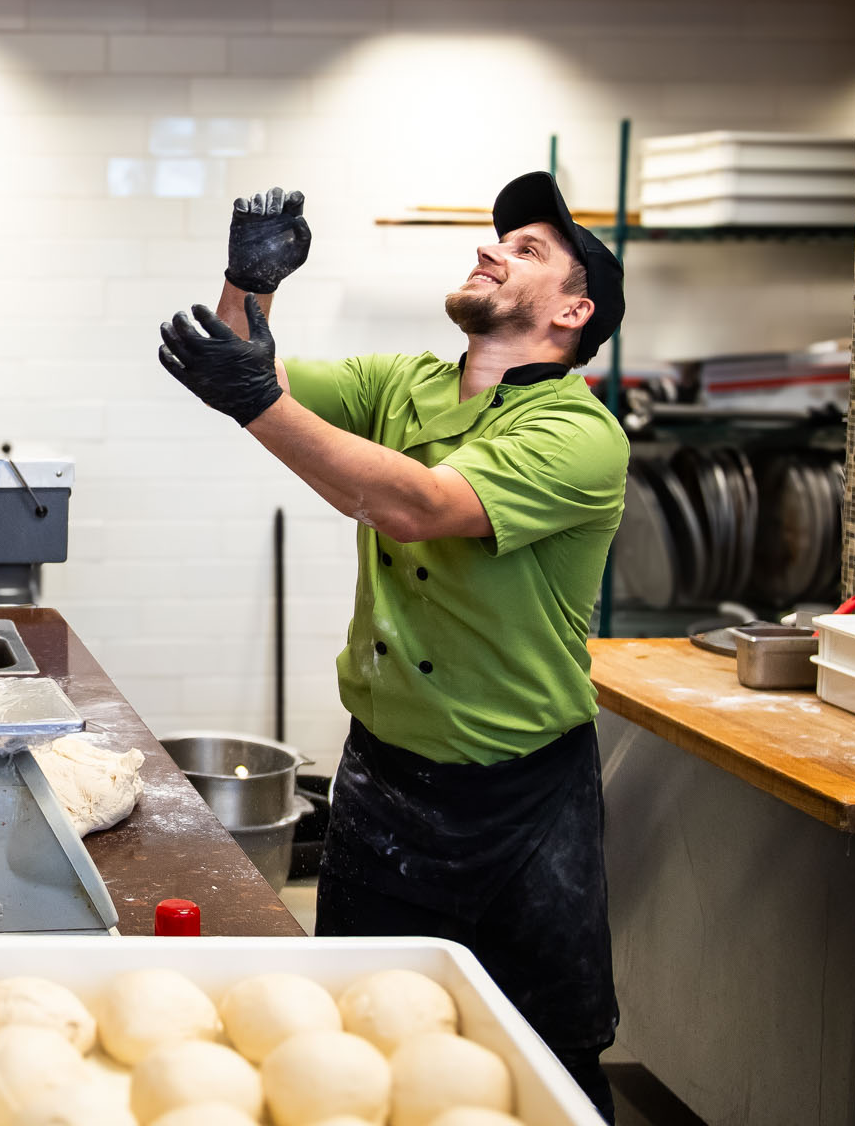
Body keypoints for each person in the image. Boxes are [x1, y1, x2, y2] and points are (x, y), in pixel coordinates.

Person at [156, 173, 629, 1121]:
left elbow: (419, 506)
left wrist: (252, 402)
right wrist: (251, 285)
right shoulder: (402, 383)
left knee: (545, 1053)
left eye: (528, 249)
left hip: (520, 797)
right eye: (499, 241)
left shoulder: (581, 432)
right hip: (382, 780)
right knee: (358, 1045)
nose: (492, 249)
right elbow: (252, 369)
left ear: (574, 312)